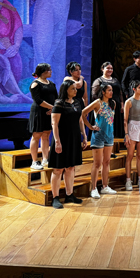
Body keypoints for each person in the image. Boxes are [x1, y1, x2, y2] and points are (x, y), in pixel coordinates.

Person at [48, 80, 87, 209]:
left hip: (74, 138)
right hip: (62, 139)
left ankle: (69, 195)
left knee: (70, 167)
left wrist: (84, 135)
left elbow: (80, 120)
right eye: (73, 89)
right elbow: (54, 124)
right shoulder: (59, 104)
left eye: (76, 89)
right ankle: (55, 197)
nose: (76, 91)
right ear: (66, 90)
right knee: (58, 169)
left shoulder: (77, 102)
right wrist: (57, 141)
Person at [82, 84, 116, 198]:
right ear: (103, 92)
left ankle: (105, 186)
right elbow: (83, 113)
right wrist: (90, 127)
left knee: (107, 162)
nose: (111, 92)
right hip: (98, 136)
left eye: (112, 90)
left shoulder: (113, 103)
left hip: (109, 135)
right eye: (109, 90)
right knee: (97, 163)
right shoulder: (98, 103)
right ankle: (94, 188)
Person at [28, 63, 57, 170]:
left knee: (46, 135)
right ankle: (34, 161)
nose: (51, 71)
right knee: (36, 135)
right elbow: (38, 100)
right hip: (38, 112)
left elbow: (56, 98)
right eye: (49, 70)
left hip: (49, 113)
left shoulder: (51, 84)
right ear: (43, 72)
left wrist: (53, 109)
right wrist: (51, 107)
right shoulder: (35, 84)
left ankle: (45, 159)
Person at [91, 62, 124, 138]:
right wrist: (102, 105)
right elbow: (94, 95)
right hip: (103, 108)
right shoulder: (98, 80)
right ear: (102, 69)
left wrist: (122, 105)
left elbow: (120, 93)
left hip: (115, 107)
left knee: (115, 127)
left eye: (111, 68)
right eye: (108, 68)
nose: (110, 70)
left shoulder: (115, 80)